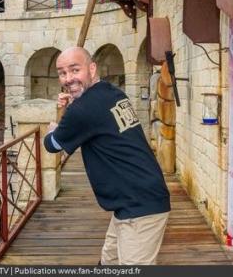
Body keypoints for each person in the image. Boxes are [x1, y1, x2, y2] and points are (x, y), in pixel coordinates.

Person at [43, 46, 170, 265]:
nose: (68, 78)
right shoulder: (112, 92)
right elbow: (92, 120)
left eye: (75, 70)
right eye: (62, 73)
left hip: (140, 207)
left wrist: (53, 128)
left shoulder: (82, 109)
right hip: (131, 200)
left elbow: (52, 144)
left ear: (92, 68)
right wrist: (71, 108)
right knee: (108, 262)